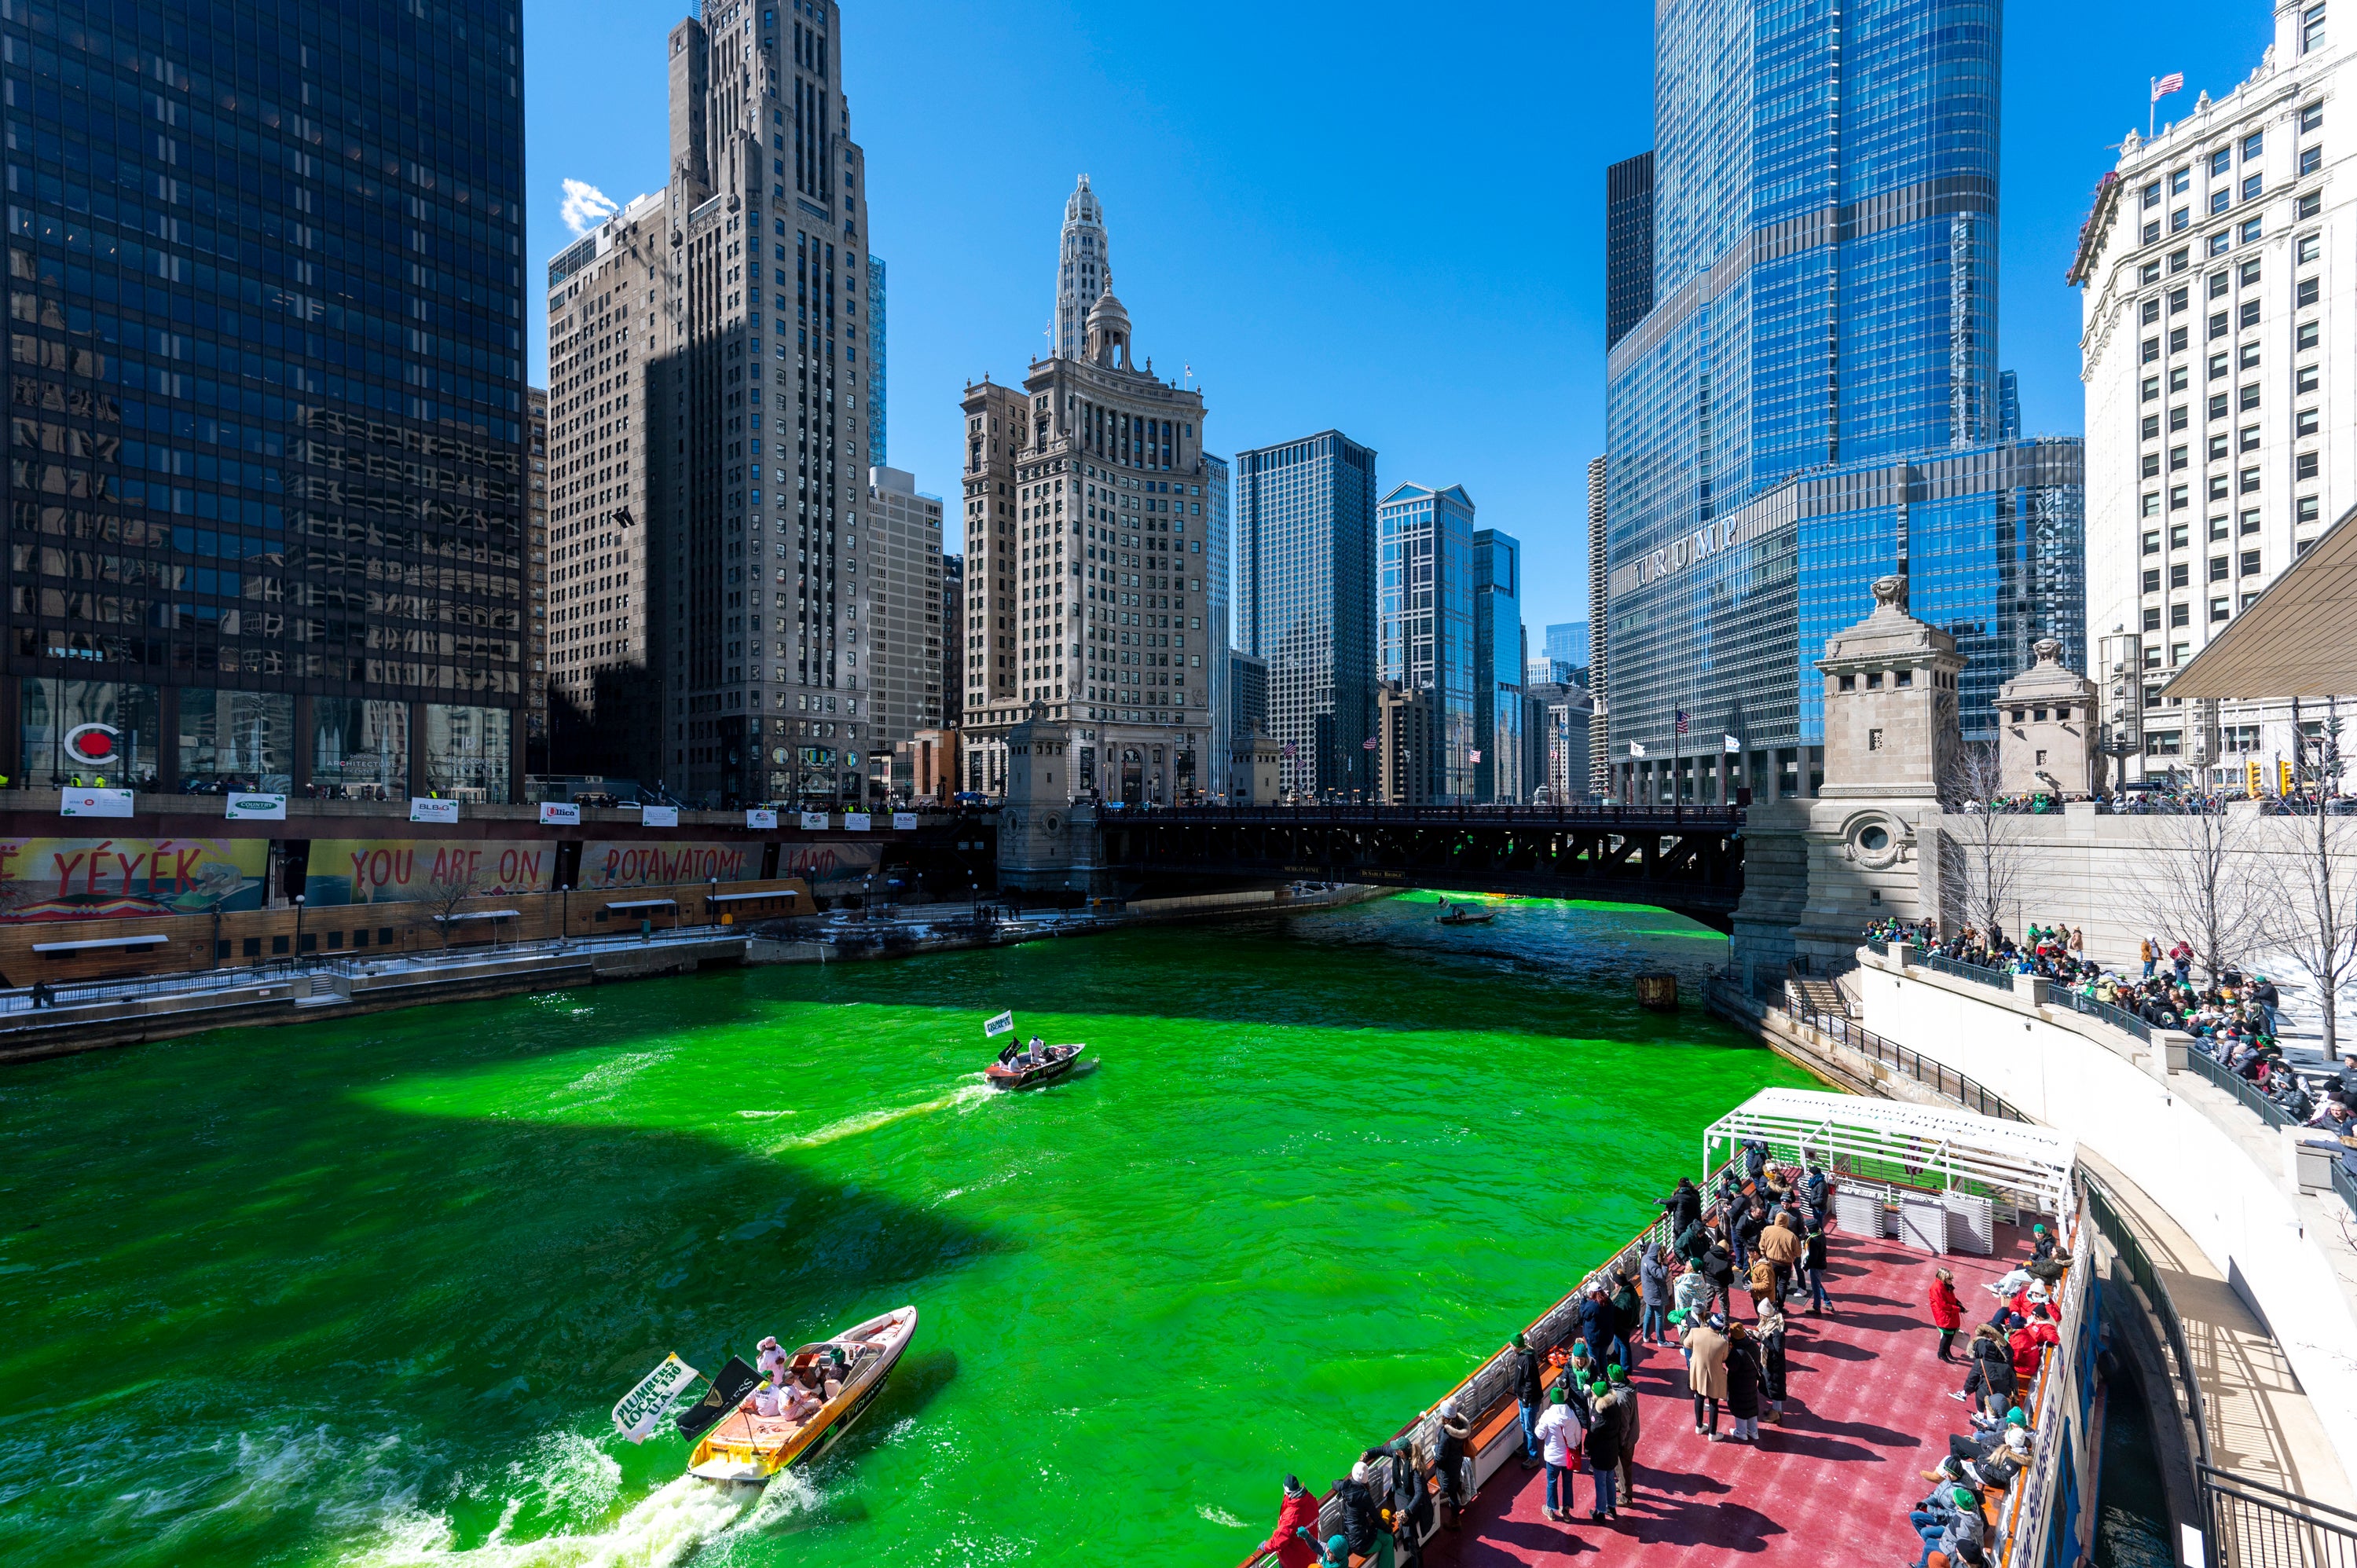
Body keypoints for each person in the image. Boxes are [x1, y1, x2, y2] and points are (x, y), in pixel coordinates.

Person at [1534, 1383, 1585, 1523]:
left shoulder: (1548, 1415)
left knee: (1552, 1482)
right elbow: (1579, 1435)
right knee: (1567, 1482)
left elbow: (1539, 1434)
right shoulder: (1572, 1415)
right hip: (1568, 1457)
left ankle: (1551, 1509)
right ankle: (1566, 1511)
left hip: (1553, 1457)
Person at [1684, 1312, 1731, 1439]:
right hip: (1714, 1374)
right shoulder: (1723, 1343)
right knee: (1714, 1402)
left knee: (1699, 1396)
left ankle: (1699, 1426)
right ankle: (1712, 1433)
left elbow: (1686, 1344)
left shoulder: (1695, 1332)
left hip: (1698, 1371)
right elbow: (1725, 1358)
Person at [1259, 1476, 1321, 1568]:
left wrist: (1265, 1547)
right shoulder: (1310, 1499)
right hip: (1311, 1553)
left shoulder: (1291, 1516)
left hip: (1294, 1562)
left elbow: (1279, 1539)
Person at [1583, 1379, 1623, 1521]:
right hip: (1612, 1449)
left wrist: (1587, 1449)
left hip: (1601, 1453)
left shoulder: (1599, 1412)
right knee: (1610, 1479)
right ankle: (1611, 1506)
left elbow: (1593, 1433)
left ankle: (1600, 1512)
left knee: (1600, 1482)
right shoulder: (1615, 1406)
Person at [1433, 1398, 1474, 1526]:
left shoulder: (1445, 1435)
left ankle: (1455, 1520)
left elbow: (1440, 1458)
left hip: (1448, 1469)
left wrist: (1436, 1459)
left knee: (1451, 1495)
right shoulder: (1461, 1426)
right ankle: (1460, 1489)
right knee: (1454, 1485)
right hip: (1457, 1463)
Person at [1723, 1321, 1764, 1442]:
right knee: (1751, 1404)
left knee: (1740, 1407)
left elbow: (1731, 1366)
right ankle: (1753, 1431)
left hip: (1738, 1384)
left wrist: (1729, 1352)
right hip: (1751, 1381)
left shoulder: (1737, 1352)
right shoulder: (1753, 1345)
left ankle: (1741, 1432)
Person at [1510, 1332, 1545, 1471]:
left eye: (1511, 1344)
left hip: (1529, 1400)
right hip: (1524, 1398)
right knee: (1524, 1424)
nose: (1510, 1345)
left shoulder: (1527, 1360)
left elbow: (1530, 1383)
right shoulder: (1521, 1356)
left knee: (1529, 1429)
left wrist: (1525, 1399)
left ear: (1517, 1346)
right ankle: (1526, 1448)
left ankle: (1533, 1457)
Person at [1606, 1363, 1640, 1500]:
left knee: (1623, 1466)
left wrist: (1620, 1442)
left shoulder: (1620, 1397)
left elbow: (1624, 1424)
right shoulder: (1629, 1387)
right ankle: (1622, 1484)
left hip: (1625, 1439)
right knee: (1622, 1465)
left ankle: (1626, 1497)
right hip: (1632, 1433)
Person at [1754, 1305, 1788, 1423]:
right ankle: (1776, 1410)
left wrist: (1763, 1339)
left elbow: (1778, 1349)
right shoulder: (1771, 1324)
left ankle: (1776, 1412)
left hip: (1774, 1364)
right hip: (1770, 1362)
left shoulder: (1776, 1330)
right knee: (1773, 1387)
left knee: (1775, 1388)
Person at [1639, 1243, 1672, 1346]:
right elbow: (1662, 1276)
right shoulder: (1652, 1264)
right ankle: (1661, 1340)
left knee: (1648, 1313)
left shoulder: (1645, 1258)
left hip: (1648, 1293)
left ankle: (1646, 1336)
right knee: (1659, 1317)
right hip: (1656, 1295)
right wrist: (1665, 1265)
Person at [1929, 1267, 1964, 1362]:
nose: (1951, 1281)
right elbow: (1943, 1305)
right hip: (1944, 1315)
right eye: (1949, 1279)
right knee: (1947, 1335)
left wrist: (1958, 1303)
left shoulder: (1945, 1286)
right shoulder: (1937, 1288)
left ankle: (1946, 1351)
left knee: (1951, 1335)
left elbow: (1951, 1299)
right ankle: (1942, 1352)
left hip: (1949, 1314)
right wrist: (1958, 1308)